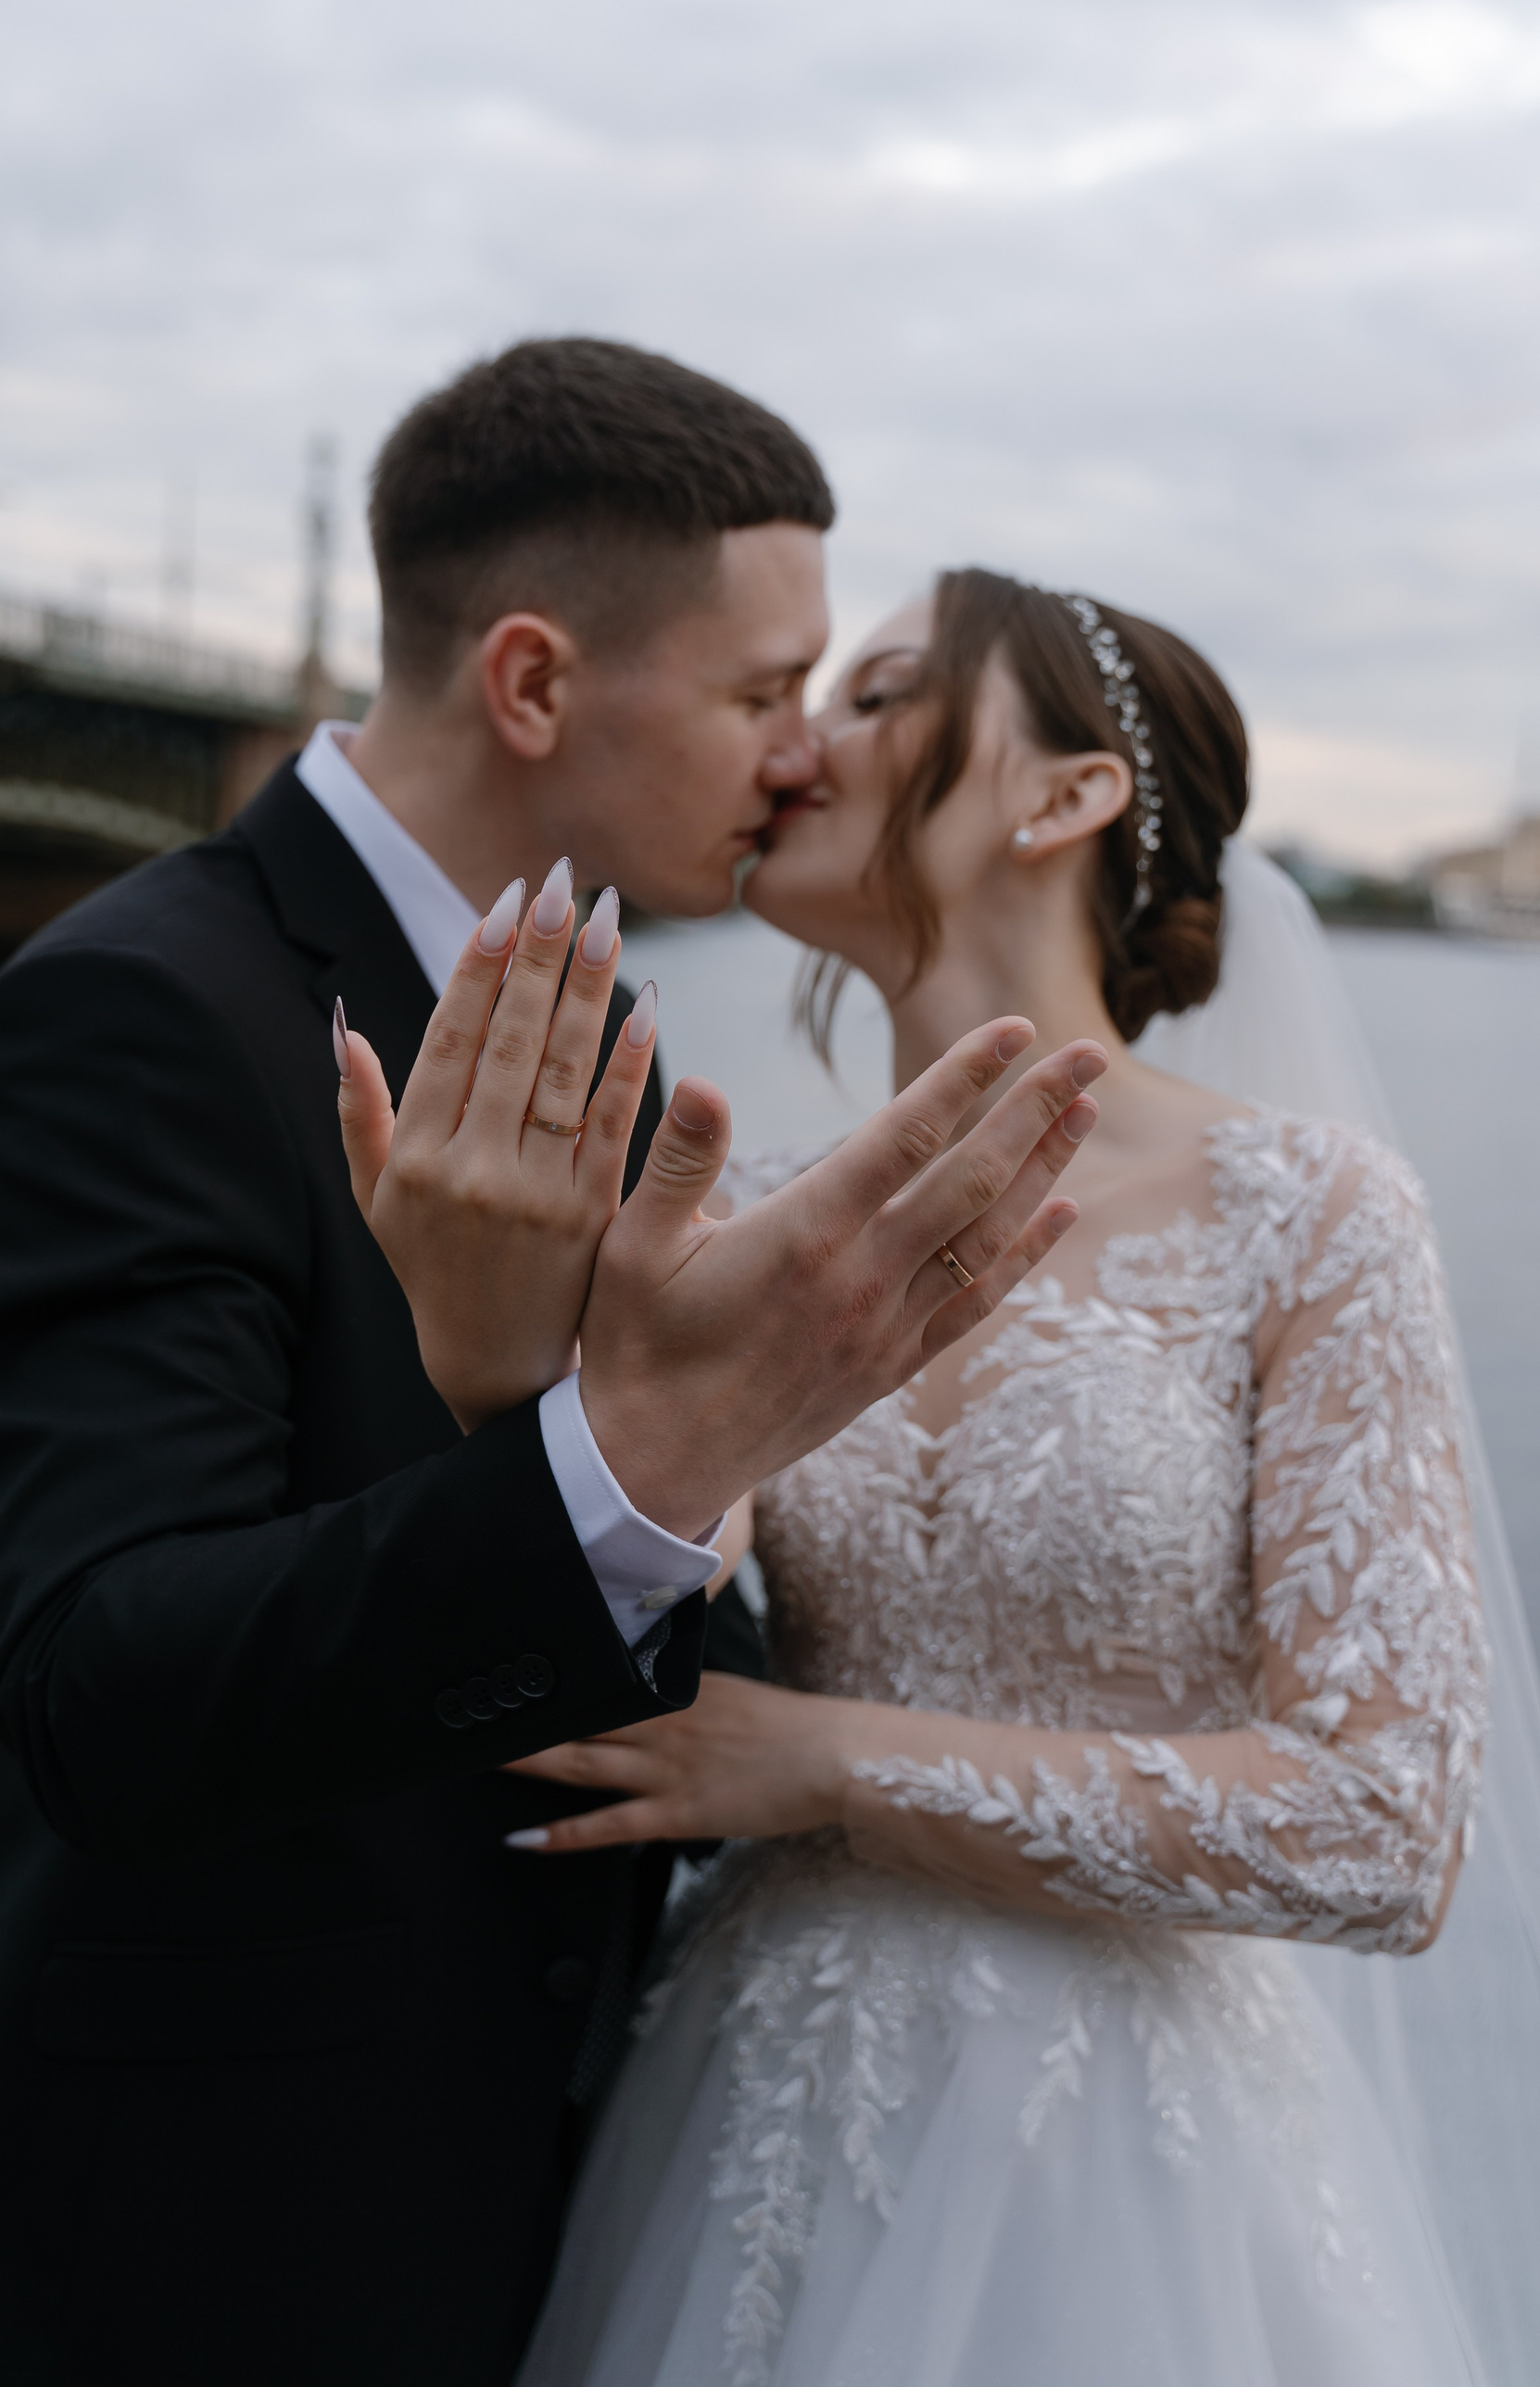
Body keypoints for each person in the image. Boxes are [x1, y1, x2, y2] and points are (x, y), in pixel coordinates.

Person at [0, 354, 1097, 2387]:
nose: (800, 754)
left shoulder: (587, 1037)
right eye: (759, 691)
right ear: (532, 682)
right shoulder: (128, 1015)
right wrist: (630, 1455)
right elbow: (100, 1696)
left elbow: (613, 1663)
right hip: (199, 2260)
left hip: (560, 2215)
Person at [343, 567, 1519, 2384]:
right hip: (758, 2103)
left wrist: (820, 1760)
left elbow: (1381, 1826)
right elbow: (662, 1570)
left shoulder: (1313, 1216)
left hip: (1138, 2166)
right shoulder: (732, 1212)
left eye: (880, 694)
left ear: (1065, 794)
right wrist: (497, 1359)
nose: (801, 743)